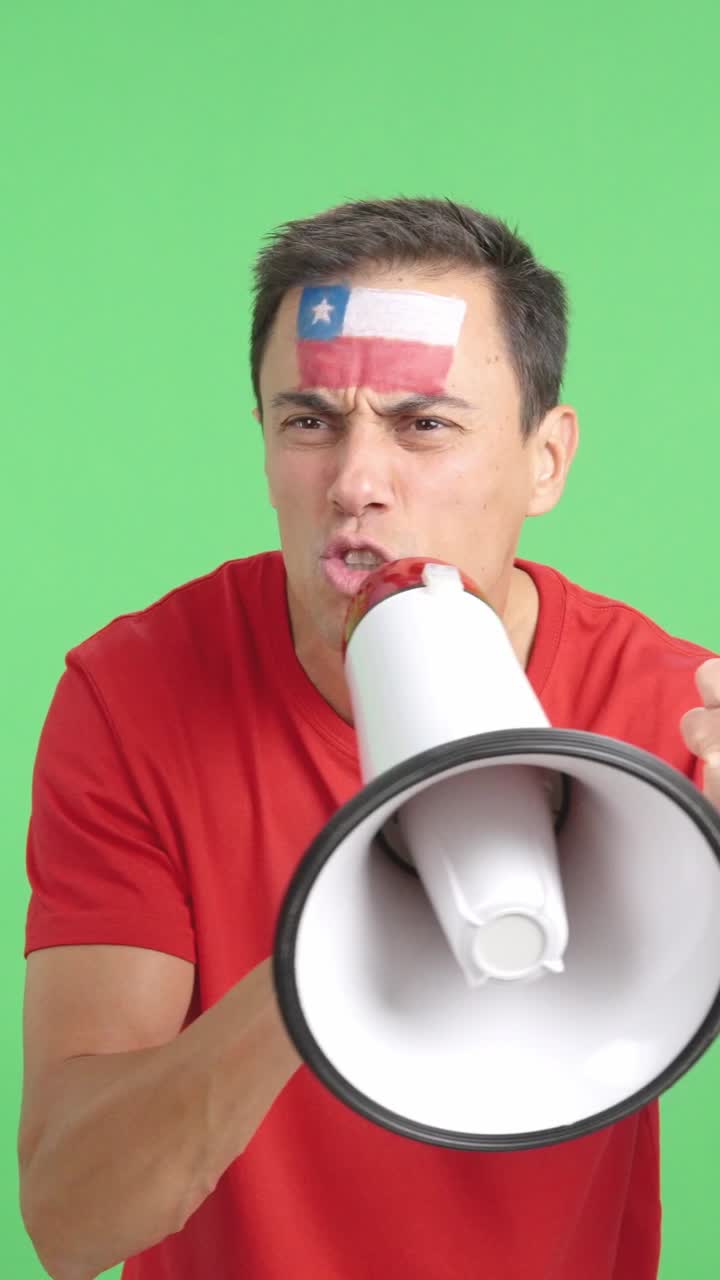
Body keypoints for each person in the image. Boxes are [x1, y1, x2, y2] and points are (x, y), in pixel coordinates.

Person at [18, 197, 720, 1280]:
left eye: (424, 423)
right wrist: (321, 970)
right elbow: (72, 1217)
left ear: (546, 457)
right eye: (310, 422)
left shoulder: (672, 716)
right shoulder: (135, 698)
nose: (355, 483)